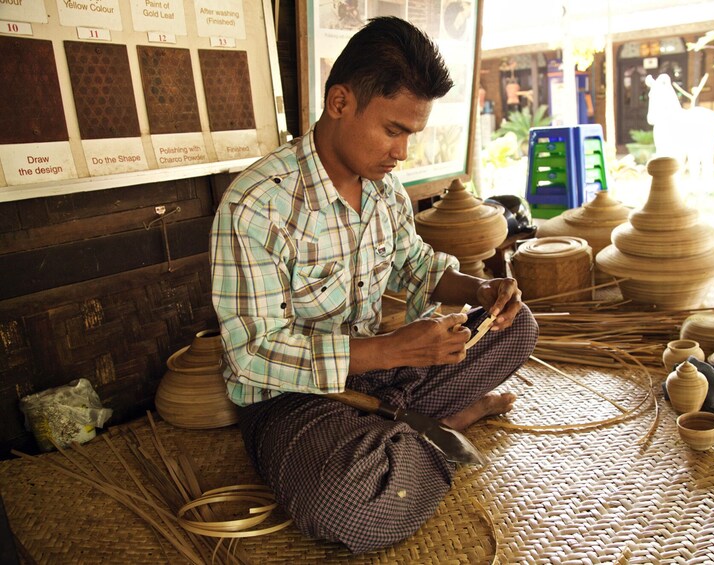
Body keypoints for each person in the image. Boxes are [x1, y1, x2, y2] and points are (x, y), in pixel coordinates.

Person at [209, 16, 538, 554]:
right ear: (340, 103)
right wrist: (389, 349)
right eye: (394, 130)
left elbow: (417, 266)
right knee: (347, 504)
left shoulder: (385, 191)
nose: (403, 153)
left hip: (386, 372)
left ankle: (401, 432)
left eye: (412, 134)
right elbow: (251, 356)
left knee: (516, 326)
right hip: (298, 399)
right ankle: (439, 425)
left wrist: (480, 292)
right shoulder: (256, 206)